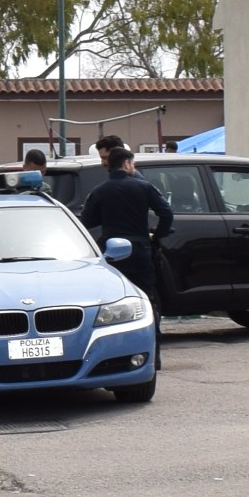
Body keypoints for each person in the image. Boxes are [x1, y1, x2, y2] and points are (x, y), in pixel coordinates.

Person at [79, 146, 174, 367]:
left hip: (113, 255)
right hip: (140, 252)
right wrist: (156, 236)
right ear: (127, 164)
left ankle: (115, 356)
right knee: (147, 302)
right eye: (133, 164)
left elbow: (87, 222)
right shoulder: (143, 187)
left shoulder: (100, 191)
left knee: (113, 306)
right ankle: (154, 357)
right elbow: (166, 212)